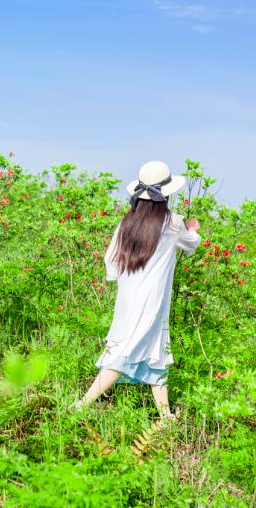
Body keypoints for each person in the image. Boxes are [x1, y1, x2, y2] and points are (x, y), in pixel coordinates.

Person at [74, 160, 201, 417]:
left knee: (155, 350)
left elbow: (111, 260)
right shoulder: (172, 223)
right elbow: (192, 244)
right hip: (152, 299)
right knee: (124, 353)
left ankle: (165, 416)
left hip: (128, 297)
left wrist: (118, 278)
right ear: (165, 194)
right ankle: (80, 405)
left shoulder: (128, 221)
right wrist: (193, 229)